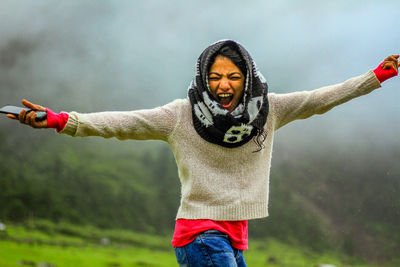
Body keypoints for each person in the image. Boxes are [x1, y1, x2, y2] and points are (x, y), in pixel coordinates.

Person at [7, 40, 399, 267]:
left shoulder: (270, 109)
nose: (223, 85)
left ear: (247, 77)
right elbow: (121, 122)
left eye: (232, 76)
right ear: (203, 79)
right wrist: (61, 119)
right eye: (214, 77)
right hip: (198, 234)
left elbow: (321, 99)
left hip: (233, 235)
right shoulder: (179, 115)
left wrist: (376, 76)